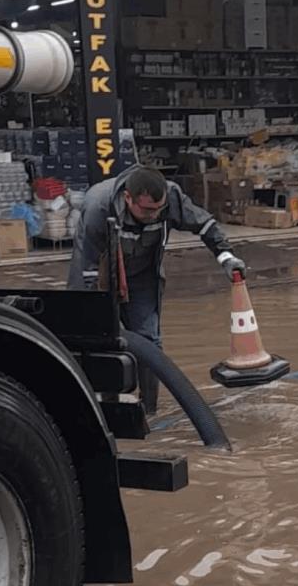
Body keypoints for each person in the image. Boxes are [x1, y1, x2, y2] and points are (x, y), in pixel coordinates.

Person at [67, 165, 246, 412]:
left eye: (158, 209)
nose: (154, 215)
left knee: (148, 341)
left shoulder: (170, 198)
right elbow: (88, 269)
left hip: (142, 276)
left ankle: (148, 410)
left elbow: (204, 225)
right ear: (128, 198)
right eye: (147, 210)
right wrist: (98, 313)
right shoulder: (99, 206)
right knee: (99, 342)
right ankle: (102, 408)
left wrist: (226, 257)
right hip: (98, 273)